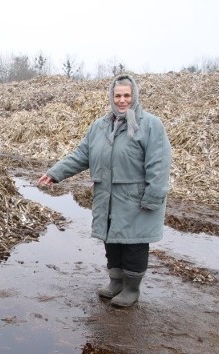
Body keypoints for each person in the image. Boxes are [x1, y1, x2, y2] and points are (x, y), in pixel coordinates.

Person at [37, 74, 172, 308]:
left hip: (136, 199)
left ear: (135, 96)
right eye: (117, 95)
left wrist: (153, 198)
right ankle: (116, 282)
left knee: (134, 244)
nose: (122, 100)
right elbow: (82, 155)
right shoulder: (99, 126)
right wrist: (55, 172)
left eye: (126, 95)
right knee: (112, 242)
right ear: (111, 97)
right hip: (107, 197)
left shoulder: (150, 125)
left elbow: (158, 165)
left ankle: (131, 288)